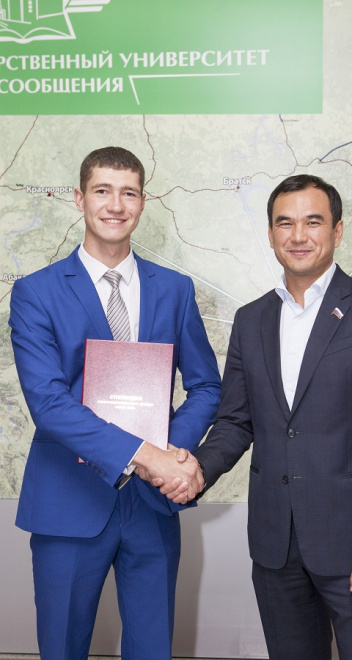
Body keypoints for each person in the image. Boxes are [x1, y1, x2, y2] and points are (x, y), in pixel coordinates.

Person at [160, 174, 352, 660]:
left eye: (312, 222)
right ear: (270, 234)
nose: (298, 235)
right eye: (285, 223)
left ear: (337, 231)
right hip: (275, 546)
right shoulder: (251, 319)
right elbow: (236, 421)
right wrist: (195, 469)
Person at [9, 146, 221, 660]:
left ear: (143, 202)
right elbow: (48, 404)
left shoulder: (175, 289)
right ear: (79, 198)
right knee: (62, 648)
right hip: (68, 499)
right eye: (102, 191)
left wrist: (168, 457)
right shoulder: (35, 293)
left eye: (128, 193)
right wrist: (146, 455)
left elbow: (207, 386)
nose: (115, 205)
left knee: (153, 649)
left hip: (151, 504)